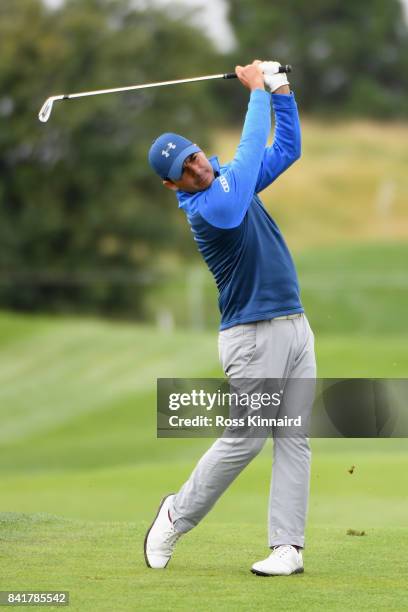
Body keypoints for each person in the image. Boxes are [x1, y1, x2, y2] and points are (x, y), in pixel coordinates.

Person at [144, 60, 316, 576]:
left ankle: (287, 546)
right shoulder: (210, 209)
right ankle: (175, 515)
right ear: (174, 187)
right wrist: (257, 91)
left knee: (294, 436)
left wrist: (282, 89)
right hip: (251, 336)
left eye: (195, 156)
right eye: (185, 171)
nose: (197, 168)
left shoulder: (225, 180)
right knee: (247, 437)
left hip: (294, 323)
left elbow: (287, 149)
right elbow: (243, 164)